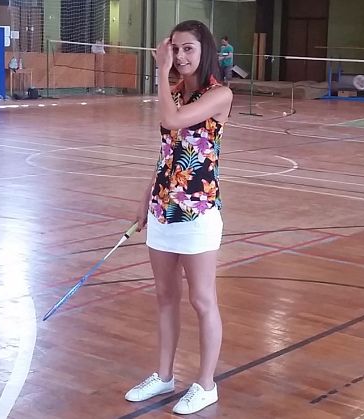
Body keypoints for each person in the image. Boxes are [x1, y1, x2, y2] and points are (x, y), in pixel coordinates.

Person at [126, 20, 233, 415]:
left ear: (204, 51)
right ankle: (164, 375)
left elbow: (173, 121)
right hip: (162, 210)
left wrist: (159, 70)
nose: (181, 56)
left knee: (202, 300)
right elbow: (166, 152)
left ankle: (206, 385)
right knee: (164, 297)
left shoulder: (220, 94)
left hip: (198, 211)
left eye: (188, 48)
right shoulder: (172, 94)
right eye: (175, 48)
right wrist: (146, 197)